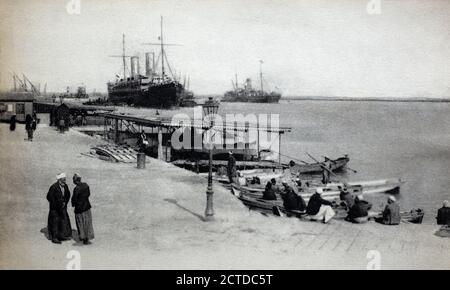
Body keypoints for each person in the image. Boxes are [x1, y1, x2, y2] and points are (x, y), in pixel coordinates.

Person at [46, 173, 72, 244]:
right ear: (59, 180)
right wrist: (57, 204)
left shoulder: (65, 186)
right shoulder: (53, 187)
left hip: (63, 208)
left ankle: (61, 236)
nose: (64, 182)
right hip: (55, 209)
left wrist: (65, 202)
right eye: (63, 180)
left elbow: (68, 195)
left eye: (65, 180)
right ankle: (54, 238)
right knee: (55, 222)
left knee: (63, 222)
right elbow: (49, 197)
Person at [71, 174, 95, 245]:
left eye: (73, 180)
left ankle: (83, 237)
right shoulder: (86, 185)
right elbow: (88, 194)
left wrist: (73, 204)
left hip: (79, 209)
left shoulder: (76, 189)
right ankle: (87, 237)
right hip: (87, 207)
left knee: (80, 223)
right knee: (87, 223)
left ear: (75, 181)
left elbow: (74, 199)